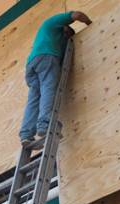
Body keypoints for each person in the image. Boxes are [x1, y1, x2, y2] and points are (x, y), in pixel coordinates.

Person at [19, 10, 92, 145]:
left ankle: (26, 133)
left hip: (32, 65)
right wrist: (90, 24)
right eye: (67, 34)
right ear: (64, 27)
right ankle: (44, 124)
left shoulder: (52, 38)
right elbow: (77, 15)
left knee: (34, 97)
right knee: (48, 88)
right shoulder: (53, 23)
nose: (66, 37)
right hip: (46, 58)